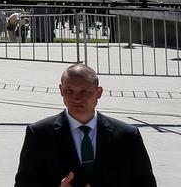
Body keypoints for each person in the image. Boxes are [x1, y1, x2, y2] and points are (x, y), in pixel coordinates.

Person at [14, 64, 155, 187]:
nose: (76, 98)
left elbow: (145, 183)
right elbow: (24, 183)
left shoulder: (127, 136)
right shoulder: (39, 134)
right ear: (61, 90)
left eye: (84, 92)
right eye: (69, 91)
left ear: (98, 92)